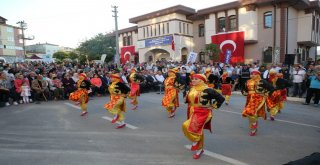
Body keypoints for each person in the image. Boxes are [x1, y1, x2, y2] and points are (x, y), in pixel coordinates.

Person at [182, 74, 225, 159]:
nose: (193, 80)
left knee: (186, 125)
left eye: (195, 79)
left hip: (203, 112)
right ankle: (199, 149)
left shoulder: (208, 90)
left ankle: (196, 142)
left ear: (201, 81)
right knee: (196, 130)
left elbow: (221, 98)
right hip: (192, 111)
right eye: (192, 79)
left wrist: (213, 106)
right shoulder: (191, 88)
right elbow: (187, 98)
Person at [242, 71, 273, 136]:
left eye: (255, 74)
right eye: (252, 74)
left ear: (258, 75)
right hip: (249, 98)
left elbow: (271, 88)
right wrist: (244, 92)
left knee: (251, 112)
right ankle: (253, 126)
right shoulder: (248, 81)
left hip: (258, 98)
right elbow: (244, 89)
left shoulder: (262, 81)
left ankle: (253, 128)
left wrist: (266, 94)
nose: (252, 75)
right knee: (249, 113)